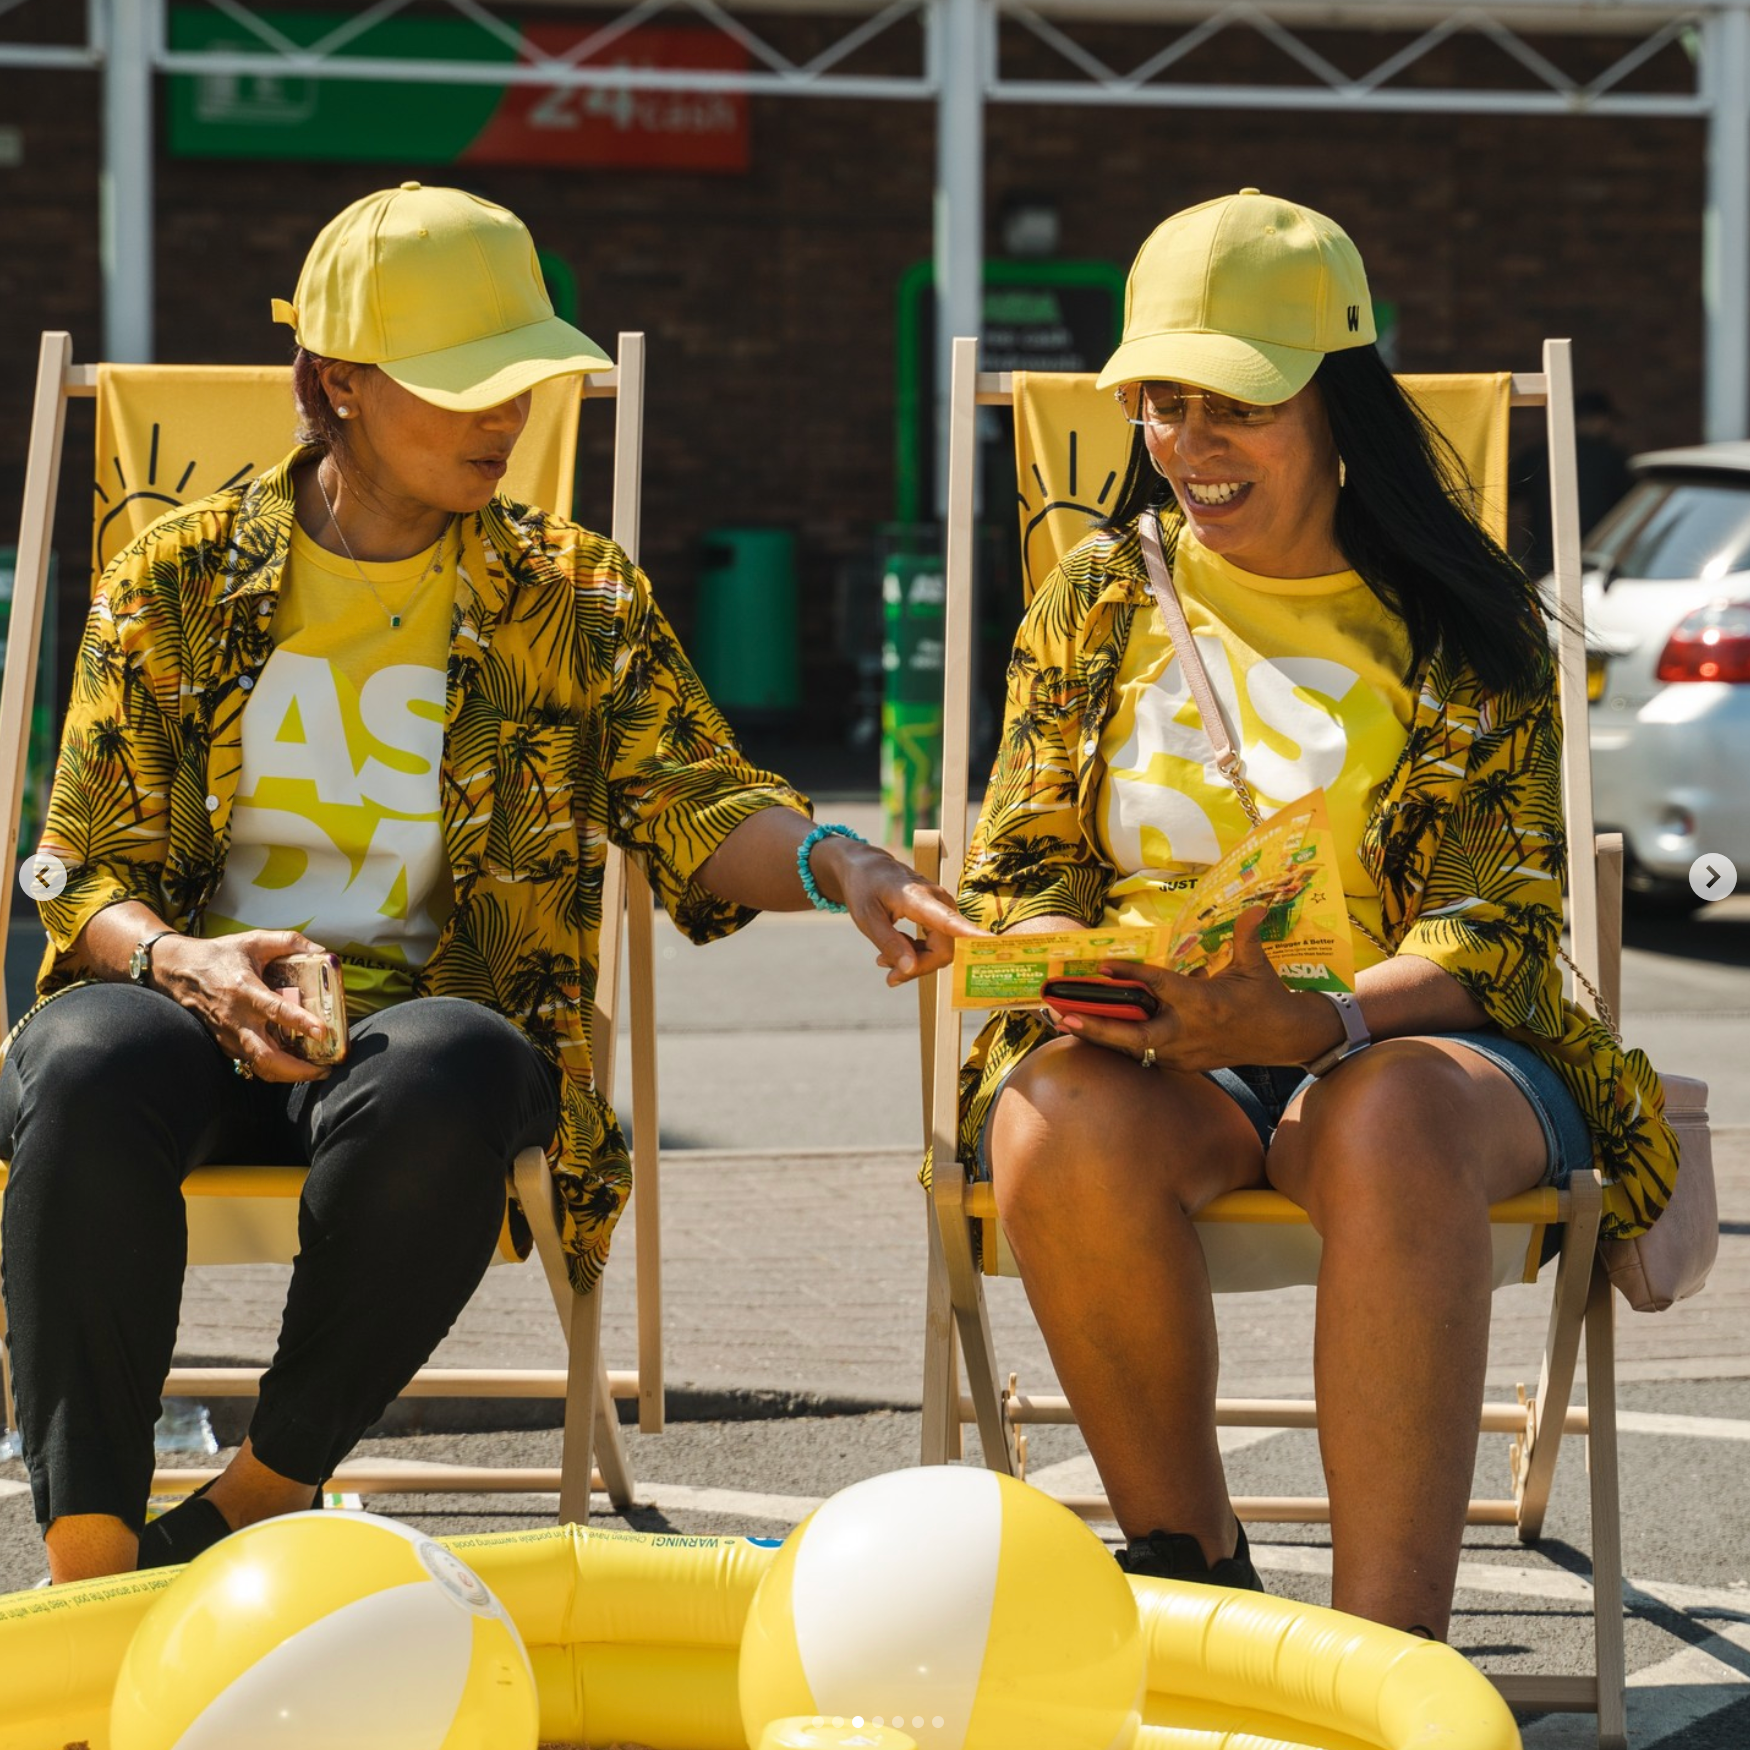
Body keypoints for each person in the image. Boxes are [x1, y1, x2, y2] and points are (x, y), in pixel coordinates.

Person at [0, 183, 969, 1584]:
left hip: (417, 1048)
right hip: (192, 1016)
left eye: (522, 379)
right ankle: (91, 1559)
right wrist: (183, 960)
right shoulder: (183, 577)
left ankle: (260, 1493)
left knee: (457, 1055)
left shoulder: (565, 592)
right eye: (463, 385)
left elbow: (693, 798)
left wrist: (841, 860)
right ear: (337, 382)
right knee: (86, 1055)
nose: (504, 415)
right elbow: (79, 869)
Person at [954, 190, 1678, 1638]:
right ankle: (1189, 1569)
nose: (1189, 445)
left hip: (1421, 1045)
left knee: (1387, 1114)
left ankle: (1384, 1659)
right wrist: (1075, 968)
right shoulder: (1093, 601)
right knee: (1051, 1117)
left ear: (1337, 404)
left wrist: (1321, 1016)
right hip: (1165, 1048)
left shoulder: (1461, 621)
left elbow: (1491, 923)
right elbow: (1020, 863)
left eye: (1237, 406)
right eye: (1161, 404)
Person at [1511, 388, 1634, 576]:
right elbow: (1631, 511)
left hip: (1544, 562)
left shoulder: (1536, 456)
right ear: (1597, 420)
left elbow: (1502, 497)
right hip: (1596, 564)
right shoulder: (1614, 460)